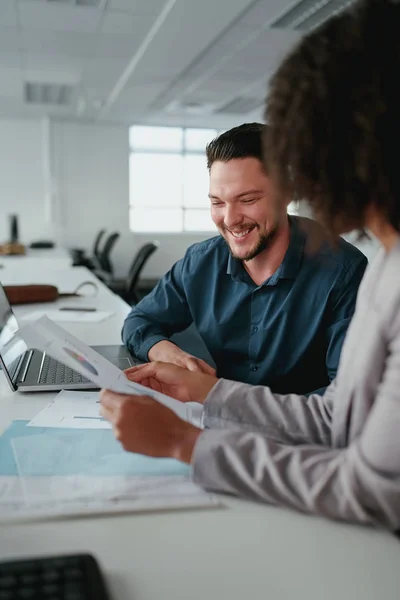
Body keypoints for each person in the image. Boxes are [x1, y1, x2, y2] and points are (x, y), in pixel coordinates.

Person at [100, 0, 400, 529]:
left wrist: (184, 441)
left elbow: (370, 485)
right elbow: (339, 421)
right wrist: (206, 393)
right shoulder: (385, 263)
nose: (309, 169)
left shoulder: (355, 269)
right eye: (218, 201)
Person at [123, 123, 366, 395]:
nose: (230, 219)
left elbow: (348, 397)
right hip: (216, 417)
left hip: (297, 431)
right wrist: (170, 355)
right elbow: (139, 320)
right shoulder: (200, 262)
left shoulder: (343, 271)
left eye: (247, 199)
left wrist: (232, 408)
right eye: (217, 202)